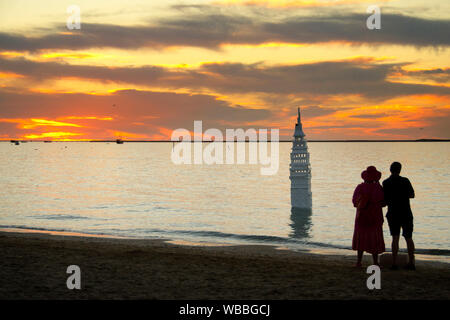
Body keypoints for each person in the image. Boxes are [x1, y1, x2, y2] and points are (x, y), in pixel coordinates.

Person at [383, 162, 416, 270]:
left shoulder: (386, 182)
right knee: (408, 238)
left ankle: (394, 263)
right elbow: (412, 195)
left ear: (390, 170)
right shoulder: (405, 181)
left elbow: (385, 200)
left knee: (395, 238)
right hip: (406, 212)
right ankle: (411, 262)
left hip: (393, 213)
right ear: (400, 170)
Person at [352, 166, 386, 267]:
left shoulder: (360, 187)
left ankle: (359, 262)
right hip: (375, 218)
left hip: (361, 217)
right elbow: (383, 203)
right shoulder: (378, 188)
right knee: (374, 239)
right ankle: (375, 262)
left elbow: (354, 202)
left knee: (361, 238)